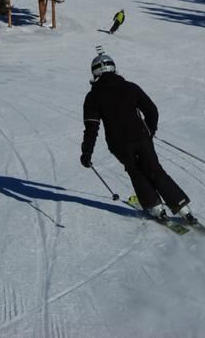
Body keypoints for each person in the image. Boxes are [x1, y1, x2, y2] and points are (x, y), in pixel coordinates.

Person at [80, 52, 195, 223]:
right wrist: (149, 131)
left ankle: (156, 207)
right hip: (141, 137)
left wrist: (86, 153)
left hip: (119, 144)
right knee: (154, 169)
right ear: (114, 68)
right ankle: (182, 207)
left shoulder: (93, 96)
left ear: (95, 73)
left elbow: (91, 128)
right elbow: (152, 110)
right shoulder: (130, 87)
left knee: (135, 171)